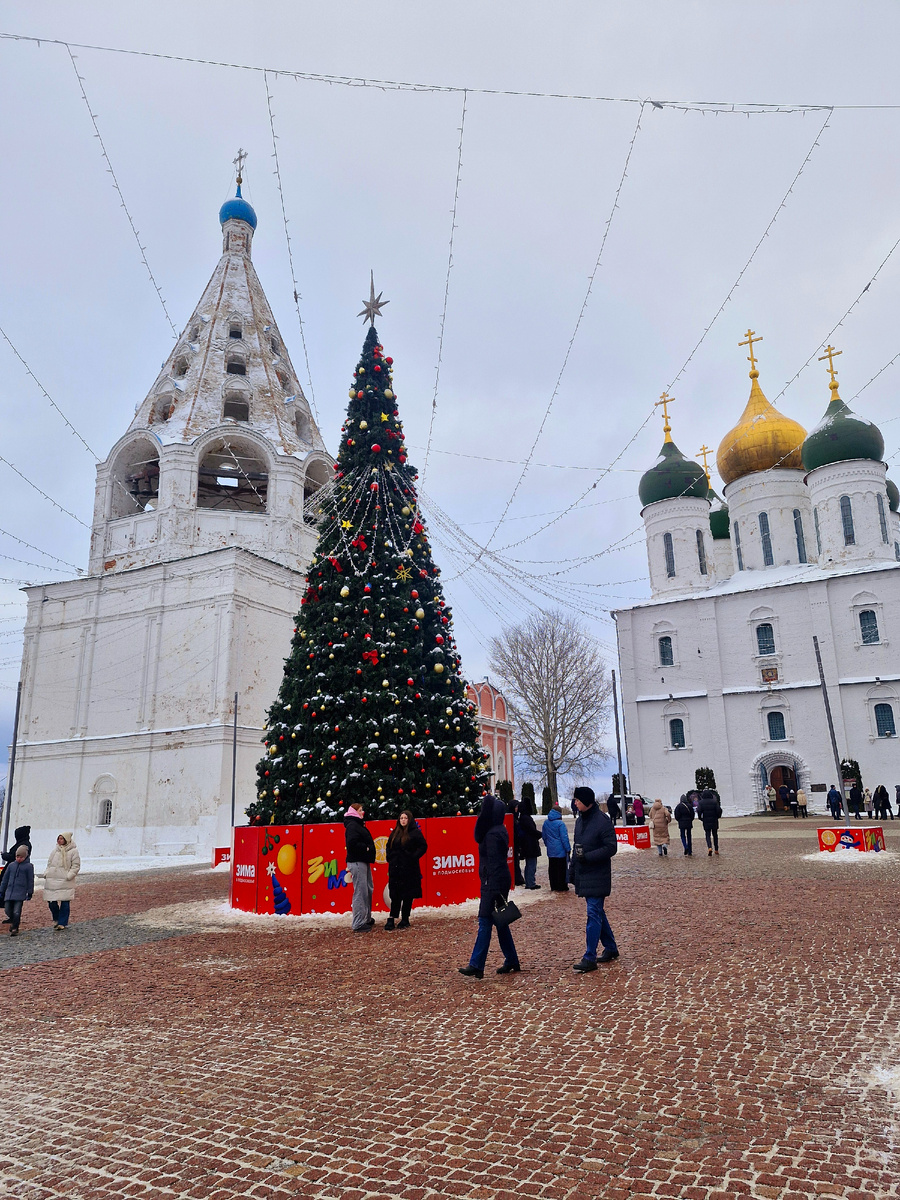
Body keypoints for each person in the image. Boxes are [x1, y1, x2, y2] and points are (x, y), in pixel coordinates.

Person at [459, 793, 519, 978]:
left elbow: (494, 863)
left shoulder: (493, 834)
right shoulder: (497, 830)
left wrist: (491, 887)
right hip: (496, 881)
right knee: (500, 922)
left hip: (492, 882)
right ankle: (512, 960)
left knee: (485, 922)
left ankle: (476, 964)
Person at [570, 787, 618, 973]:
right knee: (598, 913)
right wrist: (572, 870)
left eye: (577, 800)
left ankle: (590, 957)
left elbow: (611, 848)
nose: (575, 803)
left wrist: (588, 857)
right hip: (585, 874)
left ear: (586, 802)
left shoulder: (602, 821)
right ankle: (611, 948)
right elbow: (577, 848)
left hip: (598, 875)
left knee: (593, 913)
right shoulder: (580, 821)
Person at [384, 811, 427, 931]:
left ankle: (405, 918)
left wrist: (413, 856)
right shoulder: (395, 832)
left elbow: (423, 846)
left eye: (405, 818)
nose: (403, 820)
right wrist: (390, 857)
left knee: (408, 894)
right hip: (395, 868)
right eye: (401, 818)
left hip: (409, 868)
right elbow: (388, 846)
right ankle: (392, 917)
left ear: (409, 820)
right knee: (395, 894)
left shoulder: (414, 833)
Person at [344, 800, 376, 932]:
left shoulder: (357, 824)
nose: (363, 812)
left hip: (363, 861)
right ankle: (358, 923)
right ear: (355, 812)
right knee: (360, 891)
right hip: (357, 861)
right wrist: (366, 848)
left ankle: (366, 917)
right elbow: (352, 844)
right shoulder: (353, 825)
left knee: (368, 889)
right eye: (360, 810)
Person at [43, 832, 81, 930]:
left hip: (65, 880)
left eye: (61, 838)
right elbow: (49, 863)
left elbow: (76, 865)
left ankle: (62, 922)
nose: (59, 840)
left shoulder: (73, 851)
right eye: (58, 838)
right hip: (53, 879)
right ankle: (56, 918)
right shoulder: (55, 851)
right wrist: (47, 873)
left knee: (65, 902)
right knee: (51, 902)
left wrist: (69, 875)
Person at [0, 845, 34, 937]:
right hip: (9, 891)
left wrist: (30, 892)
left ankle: (15, 927)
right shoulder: (11, 866)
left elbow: (30, 880)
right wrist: (2, 890)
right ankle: (13, 920)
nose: (19, 859)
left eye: (21, 857)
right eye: (17, 857)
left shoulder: (28, 866)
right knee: (7, 909)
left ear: (25, 857)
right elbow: (5, 879)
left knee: (17, 911)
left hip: (20, 892)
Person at [540, 806, 571, 892]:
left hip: (551, 850)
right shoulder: (560, 824)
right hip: (560, 850)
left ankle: (553, 885)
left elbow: (544, 836)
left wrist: (548, 845)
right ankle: (562, 886)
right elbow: (564, 838)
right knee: (561, 869)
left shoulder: (546, 823)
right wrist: (568, 849)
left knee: (552, 868)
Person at [515, 800, 542, 890]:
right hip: (530, 844)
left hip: (526, 844)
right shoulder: (526, 818)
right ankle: (530, 883)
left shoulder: (522, 818)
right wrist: (540, 834)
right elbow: (531, 831)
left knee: (529, 864)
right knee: (531, 864)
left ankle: (529, 882)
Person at [698, 789, 722, 856]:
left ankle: (709, 847)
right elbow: (719, 810)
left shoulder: (701, 802)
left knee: (707, 834)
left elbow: (699, 811)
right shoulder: (714, 802)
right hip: (714, 820)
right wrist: (718, 816)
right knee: (715, 835)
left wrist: (700, 818)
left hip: (706, 820)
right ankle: (716, 849)